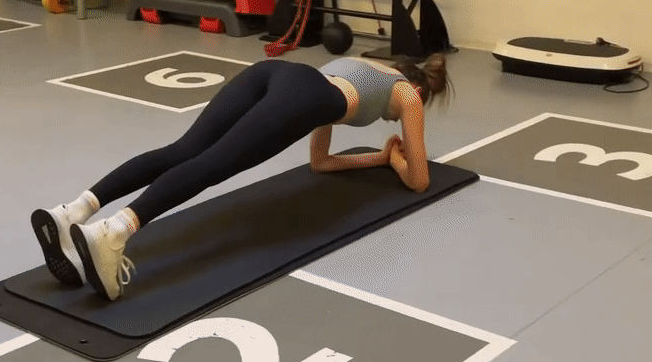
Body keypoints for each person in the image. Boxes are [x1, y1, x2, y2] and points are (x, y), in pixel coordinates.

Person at [31, 54, 452, 302]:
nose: (398, 118)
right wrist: (398, 161)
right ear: (419, 88)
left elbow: (321, 162)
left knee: (183, 149)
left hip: (274, 73)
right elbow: (419, 180)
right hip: (302, 95)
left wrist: (379, 157)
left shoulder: (361, 68)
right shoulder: (408, 94)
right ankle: (112, 234)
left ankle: (73, 212)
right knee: (215, 163)